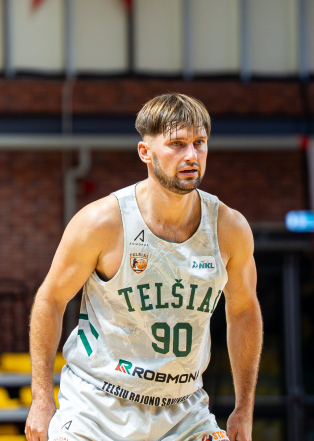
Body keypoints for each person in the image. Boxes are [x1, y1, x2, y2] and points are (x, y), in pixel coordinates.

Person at [25, 94, 262, 441]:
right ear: (145, 152)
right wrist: (41, 397)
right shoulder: (101, 222)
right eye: (177, 144)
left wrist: (244, 407)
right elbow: (50, 300)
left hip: (183, 410)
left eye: (199, 143)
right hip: (97, 407)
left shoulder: (229, 228)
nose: (191, 155)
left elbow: (243, 310)